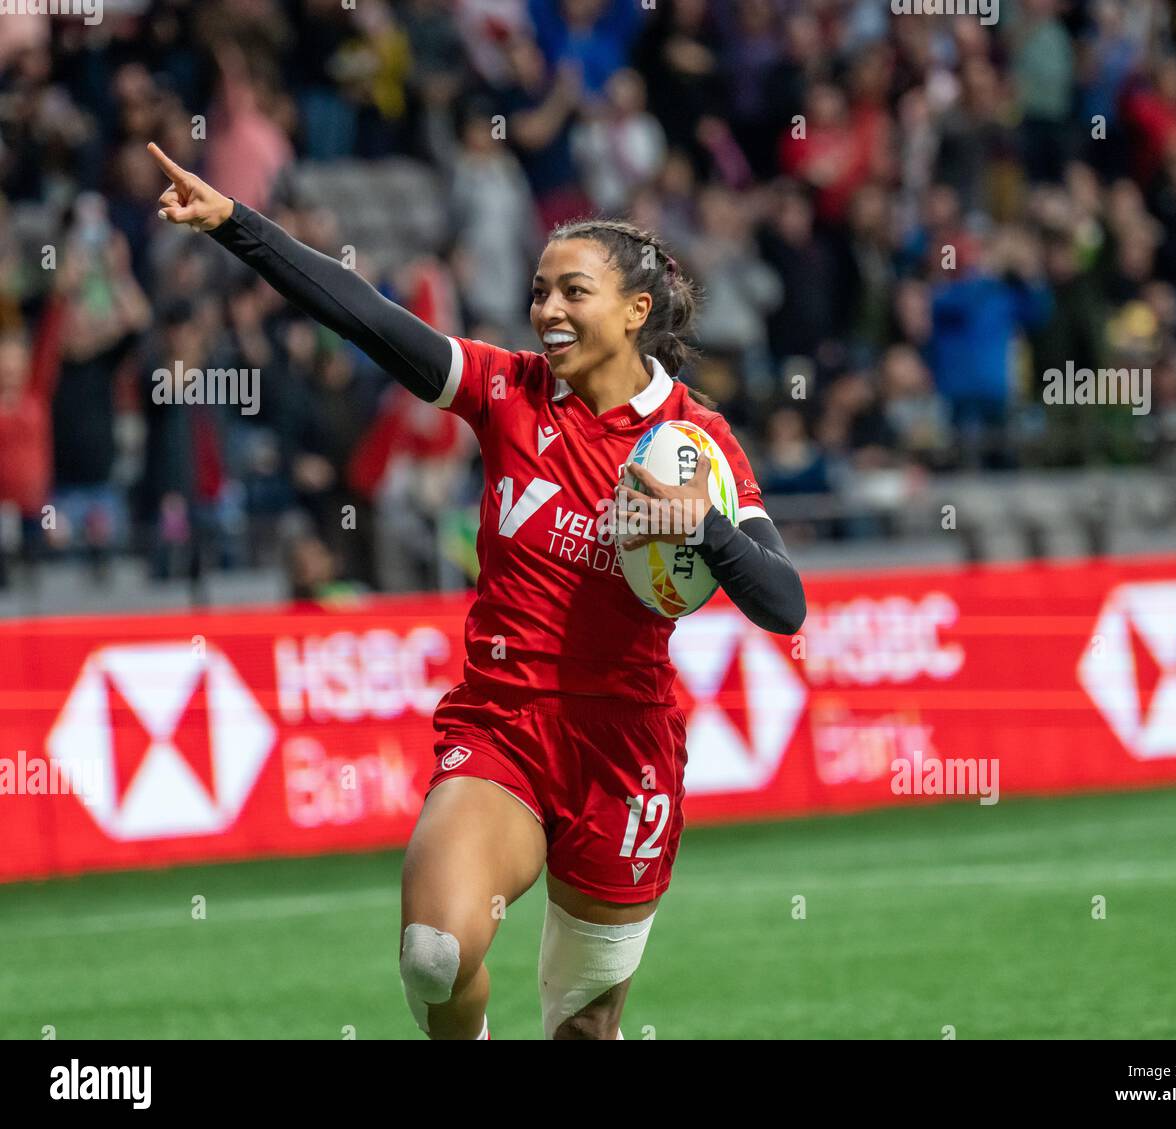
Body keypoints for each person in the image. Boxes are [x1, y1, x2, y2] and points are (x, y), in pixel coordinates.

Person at [148, 141, 805, 1040]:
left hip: (625, 749)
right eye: (540, 290)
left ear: (635, 309)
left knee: (583, 1028)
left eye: (574, 291)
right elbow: (366, 318)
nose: (547, 310)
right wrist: (234, 224)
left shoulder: (701, 442)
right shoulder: (508, 392)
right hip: (503, 726)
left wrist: (705, 527)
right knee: (435, 950)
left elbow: (785, 604)